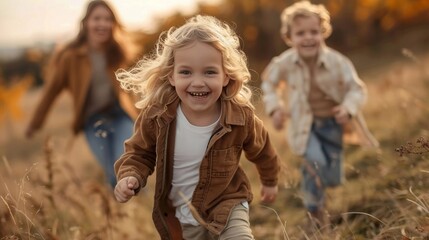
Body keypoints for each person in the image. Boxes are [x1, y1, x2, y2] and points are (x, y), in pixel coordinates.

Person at [113, 15, 280, 240]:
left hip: (228, 205)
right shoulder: (157, 116)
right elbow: (139, 153)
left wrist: (269, 181)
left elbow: (263, 150)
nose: (198, 82)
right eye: (186, 72)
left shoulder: (240, 117)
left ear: (225, 76)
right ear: (171, 76)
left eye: (209, 72)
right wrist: (129, 176)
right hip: (182, 216)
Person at [261, 0, 379, 228]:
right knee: (314, 162)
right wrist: (275, 108)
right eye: (300, 33)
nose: (308, 37)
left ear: (323, 32)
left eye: (314, 32)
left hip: (332, 124)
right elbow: (269, 84)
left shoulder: (337, 61)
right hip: (304, 126)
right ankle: (315, 213)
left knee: (332, 176)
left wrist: (348, 108)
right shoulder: (284, 62)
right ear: (289, 37)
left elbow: (357, 88)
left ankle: (321, 197)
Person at [25, 0, 139, 187]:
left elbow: (127, 88)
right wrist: (34, 124)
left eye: (108, 19)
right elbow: (51, 92)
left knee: (125, 166)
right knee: (112, 173)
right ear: (86, 22)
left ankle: (137, 204)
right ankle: (118, 211)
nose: (102, 24)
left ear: (114, 24)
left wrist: (140, 116)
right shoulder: (71, 57)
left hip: (120, 116)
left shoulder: (117, 52)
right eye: (97, 19)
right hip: (92, 122)